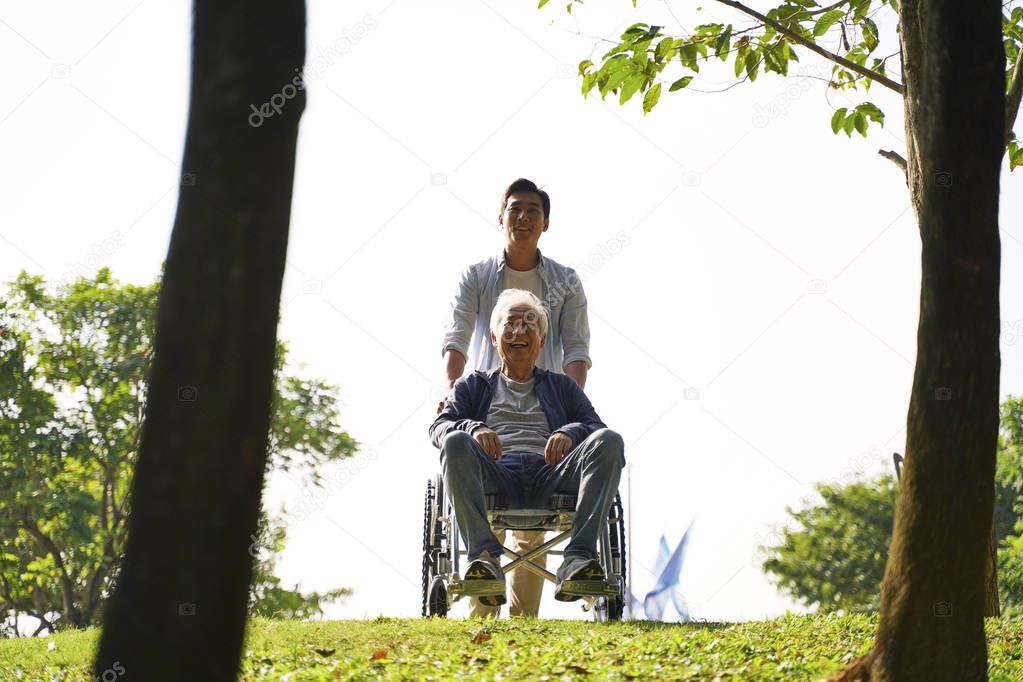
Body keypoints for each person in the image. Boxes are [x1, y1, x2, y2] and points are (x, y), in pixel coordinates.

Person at [439, 178, 592, 617]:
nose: (523, 218)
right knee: (489, 512)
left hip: (546, 406)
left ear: (545, 223)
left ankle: (524, 622)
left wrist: (568, 414)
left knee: (534, 523)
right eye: (515, 209)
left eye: (533, 211)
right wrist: (453, 397)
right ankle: (481, 616)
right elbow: (458, 338)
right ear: (501, 216)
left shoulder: (565, 281)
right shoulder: (479, 277)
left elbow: (577, 349)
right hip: (486, 403)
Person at [430, 290, 623, 608]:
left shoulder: (562, 387)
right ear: (494, 337)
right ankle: (483, 558)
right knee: (454, 441)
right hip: (496, 473)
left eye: (529, 324)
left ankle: (578, 558)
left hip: (551, 473)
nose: (519, 332)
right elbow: (439, 427)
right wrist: (474, 428)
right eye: (510, 324)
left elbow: (596, 429)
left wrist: (569, 432)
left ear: (542, 339)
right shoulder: (473, 386)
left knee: (610, 441)